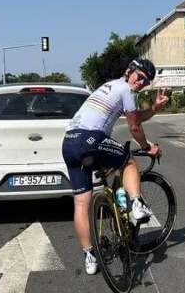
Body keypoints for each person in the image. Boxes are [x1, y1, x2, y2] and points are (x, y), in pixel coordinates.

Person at [62, 59, 169, 275]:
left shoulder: (109, 87)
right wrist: (147, 147)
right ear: (128, 72)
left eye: (146, 82)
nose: (141, 83)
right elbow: (134, 126)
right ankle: (137, 205)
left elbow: (135, 116)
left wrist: (155, 108)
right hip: (91, 138)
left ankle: (90, 256)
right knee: (128, 161)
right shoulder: (126, 88)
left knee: (82, 203)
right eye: (139, 76)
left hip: (69, 142)